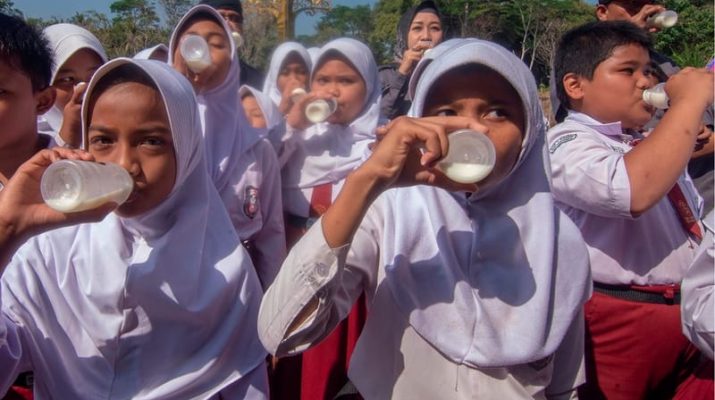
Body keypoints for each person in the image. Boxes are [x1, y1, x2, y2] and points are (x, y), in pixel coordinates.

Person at [260, 38, 592, 399]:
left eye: (498, 112)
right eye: (447, 113)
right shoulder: (391, 212)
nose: (472, 130)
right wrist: (366, 182)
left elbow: (564, 386)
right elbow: (281, 332)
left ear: (529, 132)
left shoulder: (561, 240)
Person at [0, 57, 269, 398]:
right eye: (102, 141)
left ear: (186, 150)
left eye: (151, 141)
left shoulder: (226, 272)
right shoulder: (47, 252)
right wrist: (7, 230)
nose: (125, 165)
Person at [549, 21, 713, 399]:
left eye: (647, 71)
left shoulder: (643, 143)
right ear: (575, 86)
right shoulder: (566, 142)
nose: (644, 82)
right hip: (617, 318)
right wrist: (688, 105)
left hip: (688, 311)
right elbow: (632, 191)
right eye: (627, 71)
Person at [269, 37, 383, 400]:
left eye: (347, 81)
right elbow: (257, 169)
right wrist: (291, 124)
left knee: (333, 361)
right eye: (323, 80)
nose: (332, 90)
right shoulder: (293, 142)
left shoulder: (379, 147)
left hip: (345, 274)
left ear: (369, 88)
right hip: (289, 263)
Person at [170, 5, 286, 289]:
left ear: (233, 57)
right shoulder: (157, 134)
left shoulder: (257, 148)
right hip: (171, 283)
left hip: (237, 289)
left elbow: (271, 234)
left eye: (216, 43)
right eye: (191, 40)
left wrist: (273, 305)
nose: (201, 50)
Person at [38, 23, 107, 148]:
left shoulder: (123, 129)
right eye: (67, 79)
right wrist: (68, 139)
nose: (82, 88)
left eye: (93, 76)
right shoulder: (28, 143)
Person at [378, 0, 444, 120]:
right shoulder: (384, 76)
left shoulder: (451, 72)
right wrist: (402, 73)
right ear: (404, 34)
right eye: (417, 28)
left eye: (434, 28)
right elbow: (378, 120)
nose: (426, 36)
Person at [199, 0, 265, 88]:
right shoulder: (187, 77)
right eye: (220, 17)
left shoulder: (259, 83)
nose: (228, 24)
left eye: (235, 19)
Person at [262, 42, 312, 114]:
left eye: (301, 72)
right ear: (274, 77)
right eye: (285, 73)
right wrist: (282, 110)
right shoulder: (261, 111)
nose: (294, 79)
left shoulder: (320, 109)